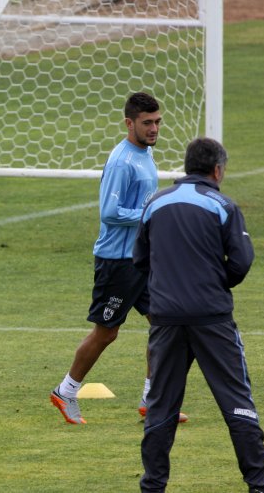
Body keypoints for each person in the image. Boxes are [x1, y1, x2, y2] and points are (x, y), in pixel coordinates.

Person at [134, 138, 264, 493]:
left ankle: (152, 486)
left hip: (165, 319)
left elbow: (139, 260)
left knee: (160, 405)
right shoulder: (223, 205)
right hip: (212, 319)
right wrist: (217, 283)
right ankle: (260, 485)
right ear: (217, 170)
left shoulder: (154, 203)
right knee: (236, 400)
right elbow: (242, 261)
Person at [50, 92, 187, 425]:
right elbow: (110, 212)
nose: (154, 128)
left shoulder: (145, 155)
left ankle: (152, 401)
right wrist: (151, 212)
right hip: (117, 262)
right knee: (106, 332)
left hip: (141, 259)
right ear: (130, 123)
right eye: (147, 123)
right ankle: (65, 391)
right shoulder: (122, 160)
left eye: (157, 122)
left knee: (166, 323)